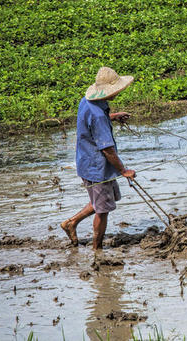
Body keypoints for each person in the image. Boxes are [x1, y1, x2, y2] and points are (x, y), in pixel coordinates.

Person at [61, 66, 136, 250]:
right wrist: (124, 171)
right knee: (103, 210)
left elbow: (92, 121)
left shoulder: (87, 102)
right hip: (97, 168)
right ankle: (97, 250)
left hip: (87, 162)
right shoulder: (98, 116)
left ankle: (71, 223)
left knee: (101, 201)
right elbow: (108, 150)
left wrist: (113, 116)